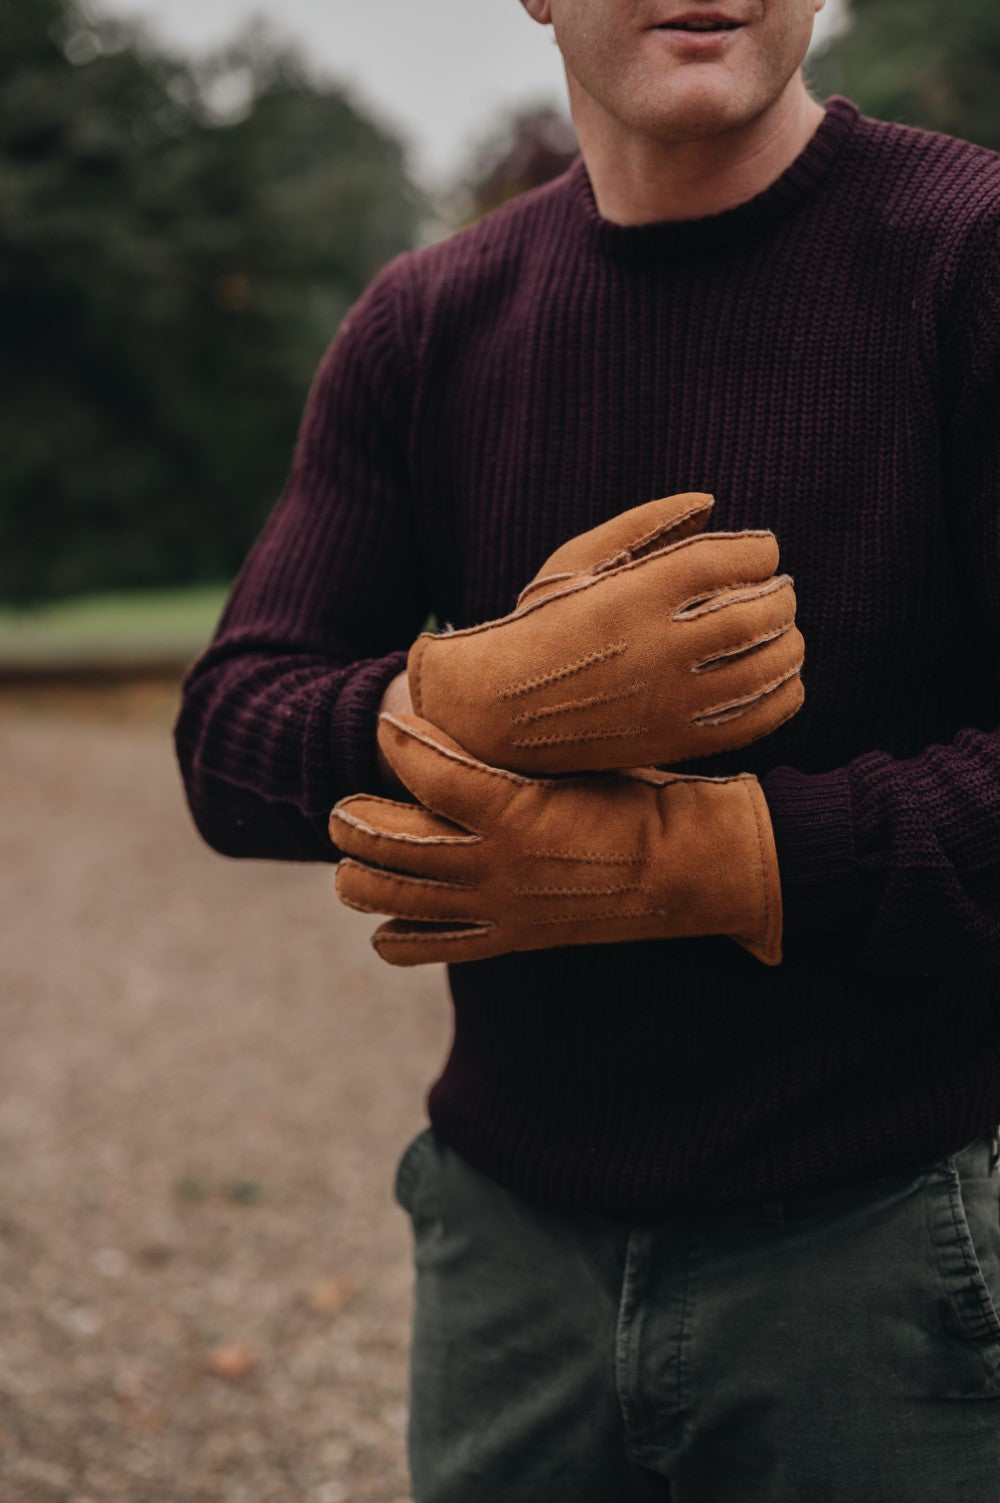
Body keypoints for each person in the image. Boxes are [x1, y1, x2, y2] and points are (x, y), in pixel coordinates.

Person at [175, 0, 1000, 1496]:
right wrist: (463, 703)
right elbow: (228, 737)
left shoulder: (971, 256)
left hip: (889, 1255)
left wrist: (717, 859)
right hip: (507, 1266)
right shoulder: (428, 324)